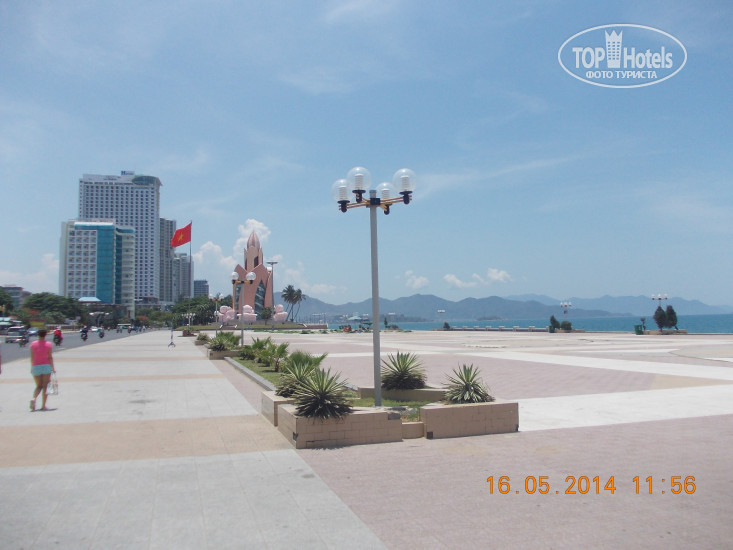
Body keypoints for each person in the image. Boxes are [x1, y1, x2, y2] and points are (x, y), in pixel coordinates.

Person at [29, 329, 55, 411]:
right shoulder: (48, 344)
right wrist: (53, 368)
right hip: (46, 366)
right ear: (45, 335)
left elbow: (32, 357)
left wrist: (32, 367)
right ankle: (43, 406)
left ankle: (34, 398)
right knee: (45, 386)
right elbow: (50, 357)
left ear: (38, 335)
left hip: (36, 366)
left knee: (38, 386)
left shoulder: (33, 344)